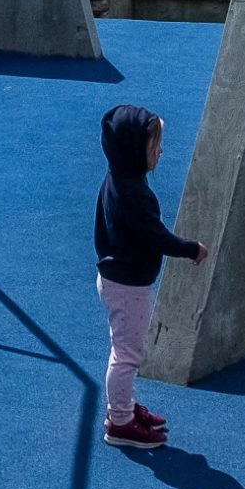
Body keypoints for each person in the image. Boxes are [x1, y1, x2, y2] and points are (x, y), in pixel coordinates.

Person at [95, 104, 204, 449]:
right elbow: (157, 236)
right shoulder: (134, 195)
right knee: (127, 354)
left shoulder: (118, 177)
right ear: (132, 152)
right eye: (154, 147)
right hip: (127, 285)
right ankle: (120, 422)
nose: (161, 152)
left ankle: (123, 407)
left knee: (128, 348)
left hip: (122, 280)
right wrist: (191, 249)